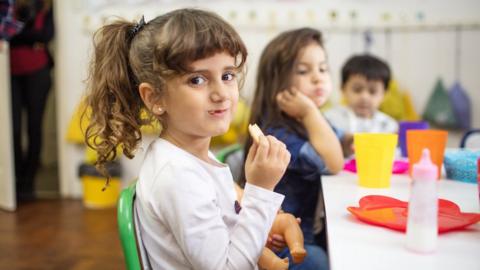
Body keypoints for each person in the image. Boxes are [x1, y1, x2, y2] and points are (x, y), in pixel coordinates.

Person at [84, 9, 293, 270]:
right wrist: (260, 189)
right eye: (197, 80)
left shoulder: (194, 155)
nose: (221, 94)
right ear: (154, 98)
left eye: (227, 75)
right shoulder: (178, 176)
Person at [241, 27, 345, 270]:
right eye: (303, 71)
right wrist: (310, 112)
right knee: (320, 260)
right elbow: (333, 163)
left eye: (323, 68)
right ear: (276, 82)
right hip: (282, 242)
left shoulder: (310, 122)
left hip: (310, 227)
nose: (318, 78)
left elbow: (339, 143)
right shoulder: (279, 134)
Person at [9, 0, 54, 200]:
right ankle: (15, 181)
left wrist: (18, 36)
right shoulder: (8, 7)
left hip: (39, 74)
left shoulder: (45, 7)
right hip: (10, 75)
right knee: (13, 129)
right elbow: (8, 36)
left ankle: (28, 182)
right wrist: (30, 39)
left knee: (34, 129)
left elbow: (46, 35)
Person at [324, 54, 398, 134]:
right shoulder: (330, 119)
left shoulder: (389, 126)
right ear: (343, 89)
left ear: (385, 94)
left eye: (372, 91)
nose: (364, 97)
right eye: (357, 90)